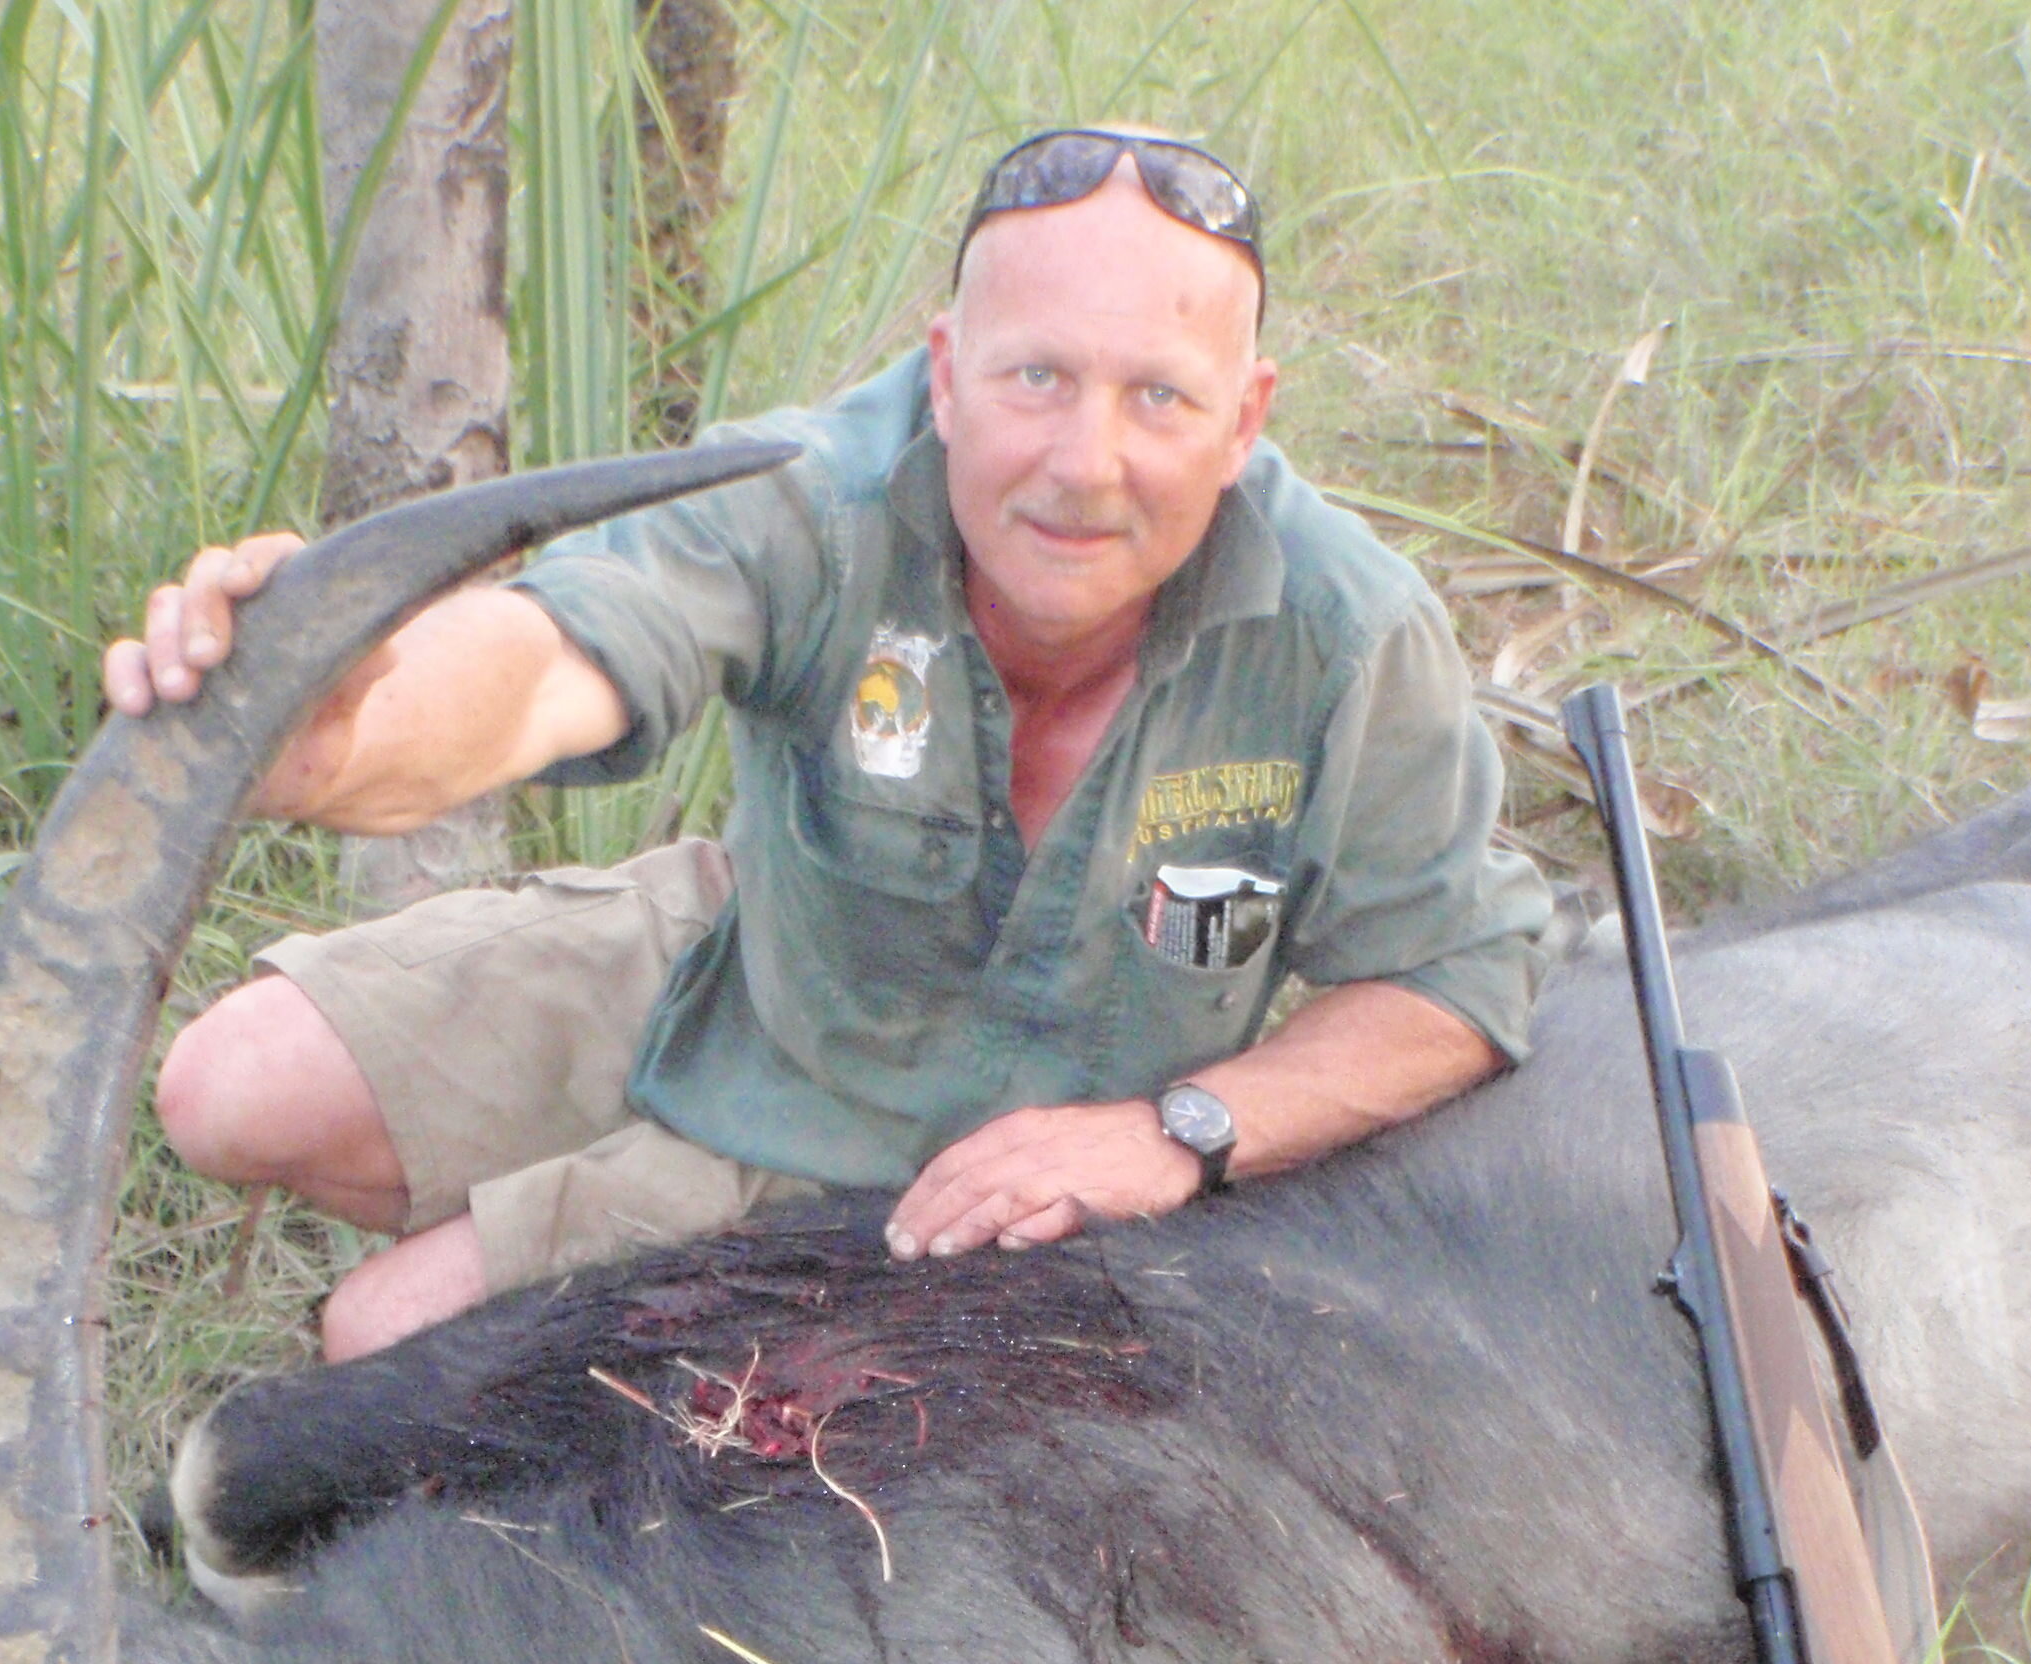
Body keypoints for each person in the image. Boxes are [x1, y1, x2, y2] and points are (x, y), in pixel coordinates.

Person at [106, 126, 1557, 1361]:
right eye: (1034, 378)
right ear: (942, 371)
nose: (1084, 464)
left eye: (1157, 398)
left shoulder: (1348, 629)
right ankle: (600, 1205)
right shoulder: (813, 498)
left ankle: (621, 1235)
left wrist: (1174, 1132)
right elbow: (560, 657)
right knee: (225, 1089)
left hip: (969, 1149)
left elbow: (1453, 979)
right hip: (781, 953)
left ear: (1244, 422)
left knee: (378, 1339)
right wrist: (344, 710)